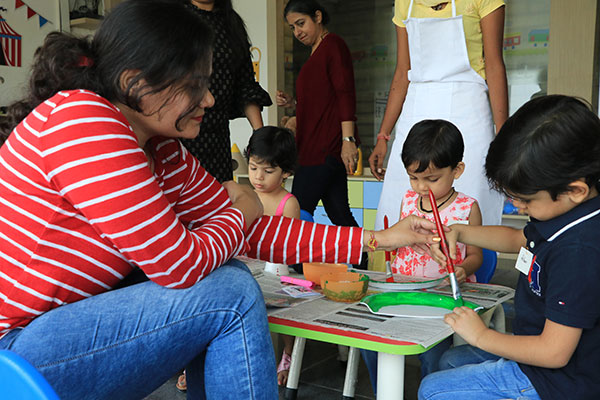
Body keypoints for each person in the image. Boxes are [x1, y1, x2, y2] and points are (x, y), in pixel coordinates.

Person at [0, 1, 443, 398]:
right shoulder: (86, 122)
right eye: (195, 84)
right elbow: (178, 265)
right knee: (228, 290)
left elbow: (251, 231)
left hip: (54, 336)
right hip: (14, 354)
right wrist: (241, 208)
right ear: (136, 82)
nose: (210, 100)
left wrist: (379, 239)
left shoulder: (160, 147)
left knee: (225, 276)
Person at [420, 95, 600, 399]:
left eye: (525, 200)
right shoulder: (569, 213)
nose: (516, 207)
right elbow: (519, 240)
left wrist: (481, 335)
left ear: (575, 190)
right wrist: (461, 232)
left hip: (560, 381)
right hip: (542, 357)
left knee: (432, 390)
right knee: (450, 359)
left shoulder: (579, 252)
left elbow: (553, 353)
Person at [361, 119, 483, 389]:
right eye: (413, 178)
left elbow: (476, 256)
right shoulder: (408, 200)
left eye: (432, 179)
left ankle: (431, 392)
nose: (420, 187)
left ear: (457, 170)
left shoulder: (466, 208)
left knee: (434, 355)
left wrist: (465, 267)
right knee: (369, 343)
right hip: (403, 291)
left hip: (441, 299)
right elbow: (393, 240)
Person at [369, 0, 508, 230]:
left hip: (469, 104)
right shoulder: (405, 2)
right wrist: (383, 135)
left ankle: (469, 264)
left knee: (472, 190)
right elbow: (403, 71)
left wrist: (503, 132)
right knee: (401, 195)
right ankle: (407, 265)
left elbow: (494, 65)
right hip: (417, 105)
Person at [276, 0, 367, 268]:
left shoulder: (333, 46)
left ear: (317, 16)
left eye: (301, 23)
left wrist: (348, 141)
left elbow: (344, 94)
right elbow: (320, 101)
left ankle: (298, 269)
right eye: (292, 28)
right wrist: (294, 109)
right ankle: (361, 264)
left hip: (323, 148)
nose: (297, 32)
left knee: (298, 209)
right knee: (339, 213)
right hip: (314, 146)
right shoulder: (316, 52)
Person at [181, 0, 272, 183]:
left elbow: (245, 83)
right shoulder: (174, 16)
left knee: (218, 198)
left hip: (218, 136)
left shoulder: (231, 23)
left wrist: (260, 134)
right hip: (178, 130)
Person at [244, 126, 300, 386]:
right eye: (254, 167)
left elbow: (286, 248)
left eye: (268, 171)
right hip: (247, 268)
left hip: (277, 270)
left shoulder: (287, 203)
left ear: (286, 172)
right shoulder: (245, 197)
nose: (258, 177)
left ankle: (288, 352)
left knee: (285, 310)